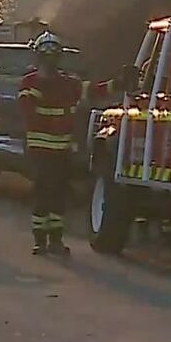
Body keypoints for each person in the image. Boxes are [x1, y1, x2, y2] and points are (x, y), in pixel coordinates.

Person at [17, 32, 134, 256]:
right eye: (47, 54)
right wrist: (60, 117)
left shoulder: (68, 83)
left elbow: (95, 90)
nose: (50, 60)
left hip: (61, 150)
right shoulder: (29, 83)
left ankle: (56, 240)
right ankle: (41, 241)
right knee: (43, 194)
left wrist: (119, 83)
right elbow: (28, 112)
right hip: (40, 150)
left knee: (59, 194)